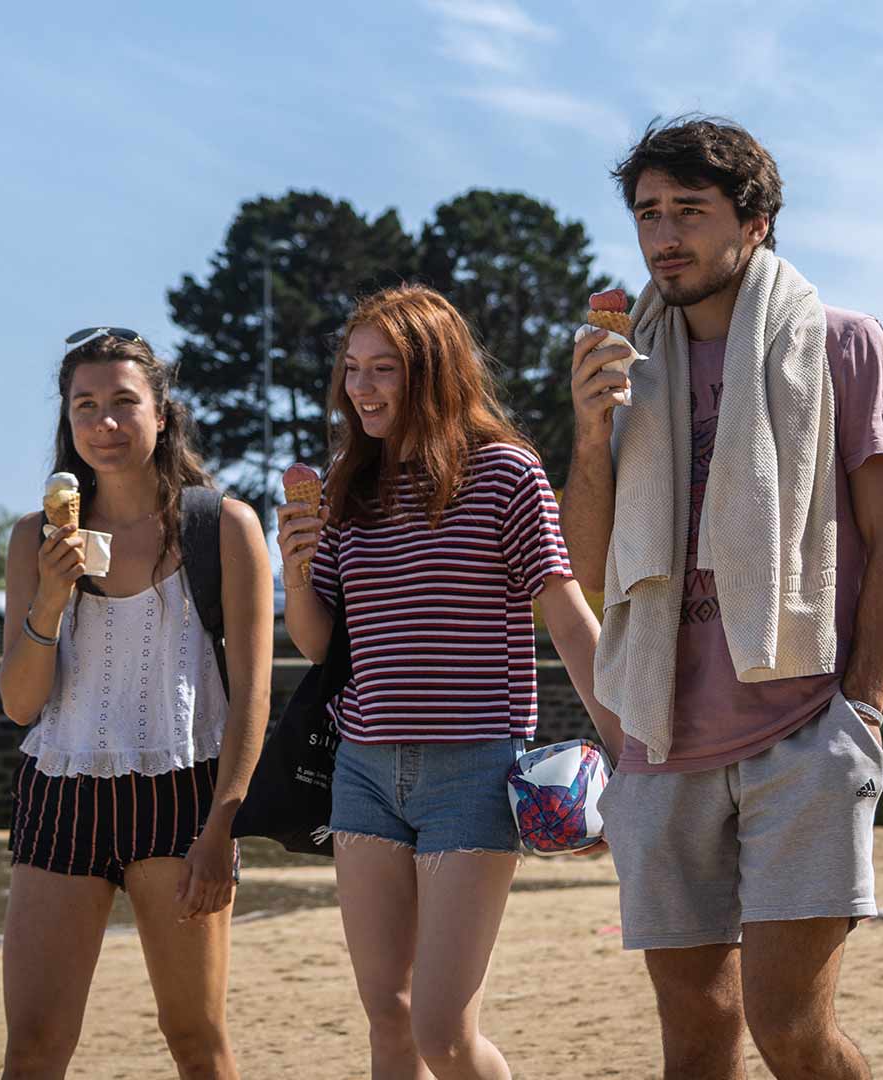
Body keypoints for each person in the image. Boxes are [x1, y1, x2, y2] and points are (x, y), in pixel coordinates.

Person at [562, 117, 883, 1080]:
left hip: (802, 728)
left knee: (791, 1030)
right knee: (694, 1037)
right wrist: (590, 435)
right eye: (648, 213)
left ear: (756, 222)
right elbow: (583, 560)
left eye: (691, 210)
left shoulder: (844, 345)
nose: (664, 236)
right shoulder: (622, 370)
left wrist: (864, 709)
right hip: (661, 738)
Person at [277, 285, 617, 1080]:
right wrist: (297, 571)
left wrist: (632, 746)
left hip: (474, 773)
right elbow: (322, 642)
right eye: (351, 369)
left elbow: (567, 619)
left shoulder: (506, 474)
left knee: (443, 1033)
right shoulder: (344, 487)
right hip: (361, 770)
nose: (360, 387)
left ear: (431, 371)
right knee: (388, 1020)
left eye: (383, 368)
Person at [0, 326, 272, 1079]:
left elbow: (252, 696)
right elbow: (21, 706)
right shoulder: (34, 539)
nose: (104, 423)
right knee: (34, 1045)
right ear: (67, 420)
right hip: (58, 794)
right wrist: (50, 599)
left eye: (124, 402)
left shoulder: (225, 527)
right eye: (85, 406)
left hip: (183, 799)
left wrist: (224, 825)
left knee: (195, 1039)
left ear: (161, 412)